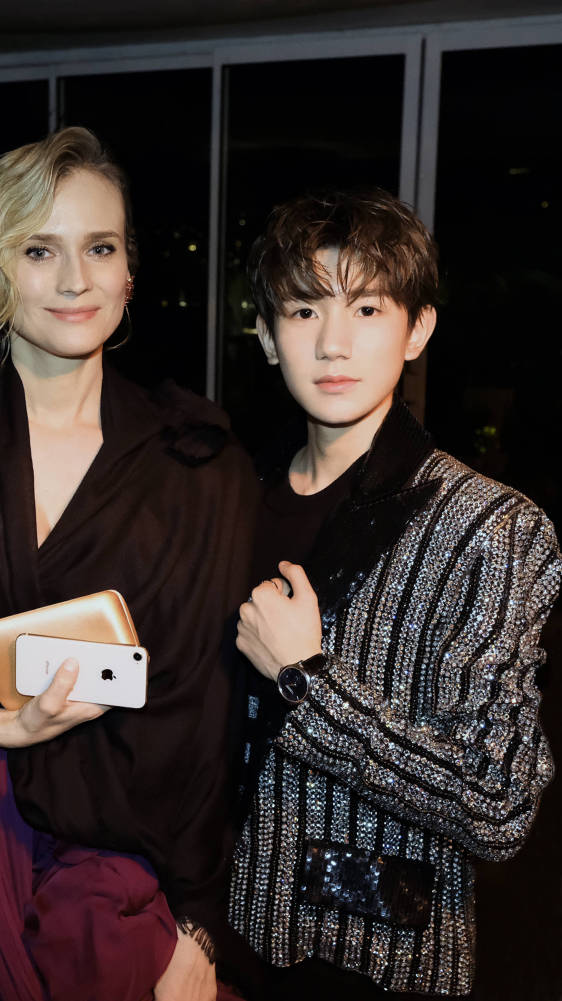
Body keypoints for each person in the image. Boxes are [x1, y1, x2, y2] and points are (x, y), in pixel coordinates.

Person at [0, 127, 256, 1001]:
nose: (76, 279)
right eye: (39, 249)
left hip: (118, 875)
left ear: (130, 272)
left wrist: (199, 918)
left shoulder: (197, 469)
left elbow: (207, 717)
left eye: (101, 247)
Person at [226, 189, 561, 999]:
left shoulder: (489, 527)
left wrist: (308, 683)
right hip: (218, 937)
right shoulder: (228, 498)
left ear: (418, 329)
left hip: (374, 958)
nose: (333, 342)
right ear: (267, 336)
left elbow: (499, 802)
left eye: (368, 308)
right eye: (304, 310)